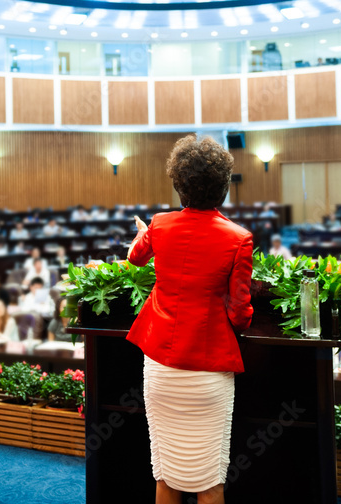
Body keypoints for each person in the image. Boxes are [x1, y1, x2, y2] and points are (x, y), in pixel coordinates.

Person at [126, 135, 253, 503]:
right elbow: (241, 315)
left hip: (161, 367)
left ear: (179, 184)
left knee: (165, 477)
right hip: (209, 369)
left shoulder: (160, 224)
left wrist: (143, 234)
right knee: (210, 482)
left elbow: (135, 258)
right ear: (223, 186)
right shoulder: (239, 238)